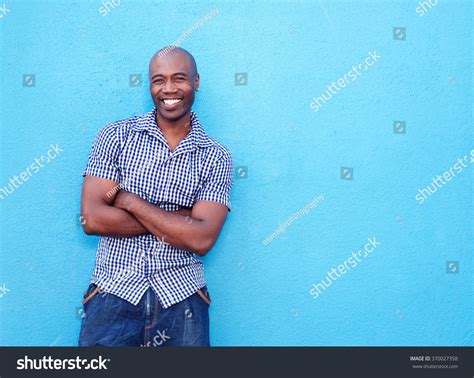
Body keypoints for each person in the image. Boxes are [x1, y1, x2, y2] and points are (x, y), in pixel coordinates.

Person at [78, 46, 233, 347]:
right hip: (113, 293)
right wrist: (181, 218)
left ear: (196, 82)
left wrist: (128, 200)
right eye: (158, 80)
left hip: (184, 298)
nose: (169, 89)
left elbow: (201, 240)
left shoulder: (216, 157)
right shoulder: (115, 137)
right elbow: (92, 218)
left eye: (179, 78)